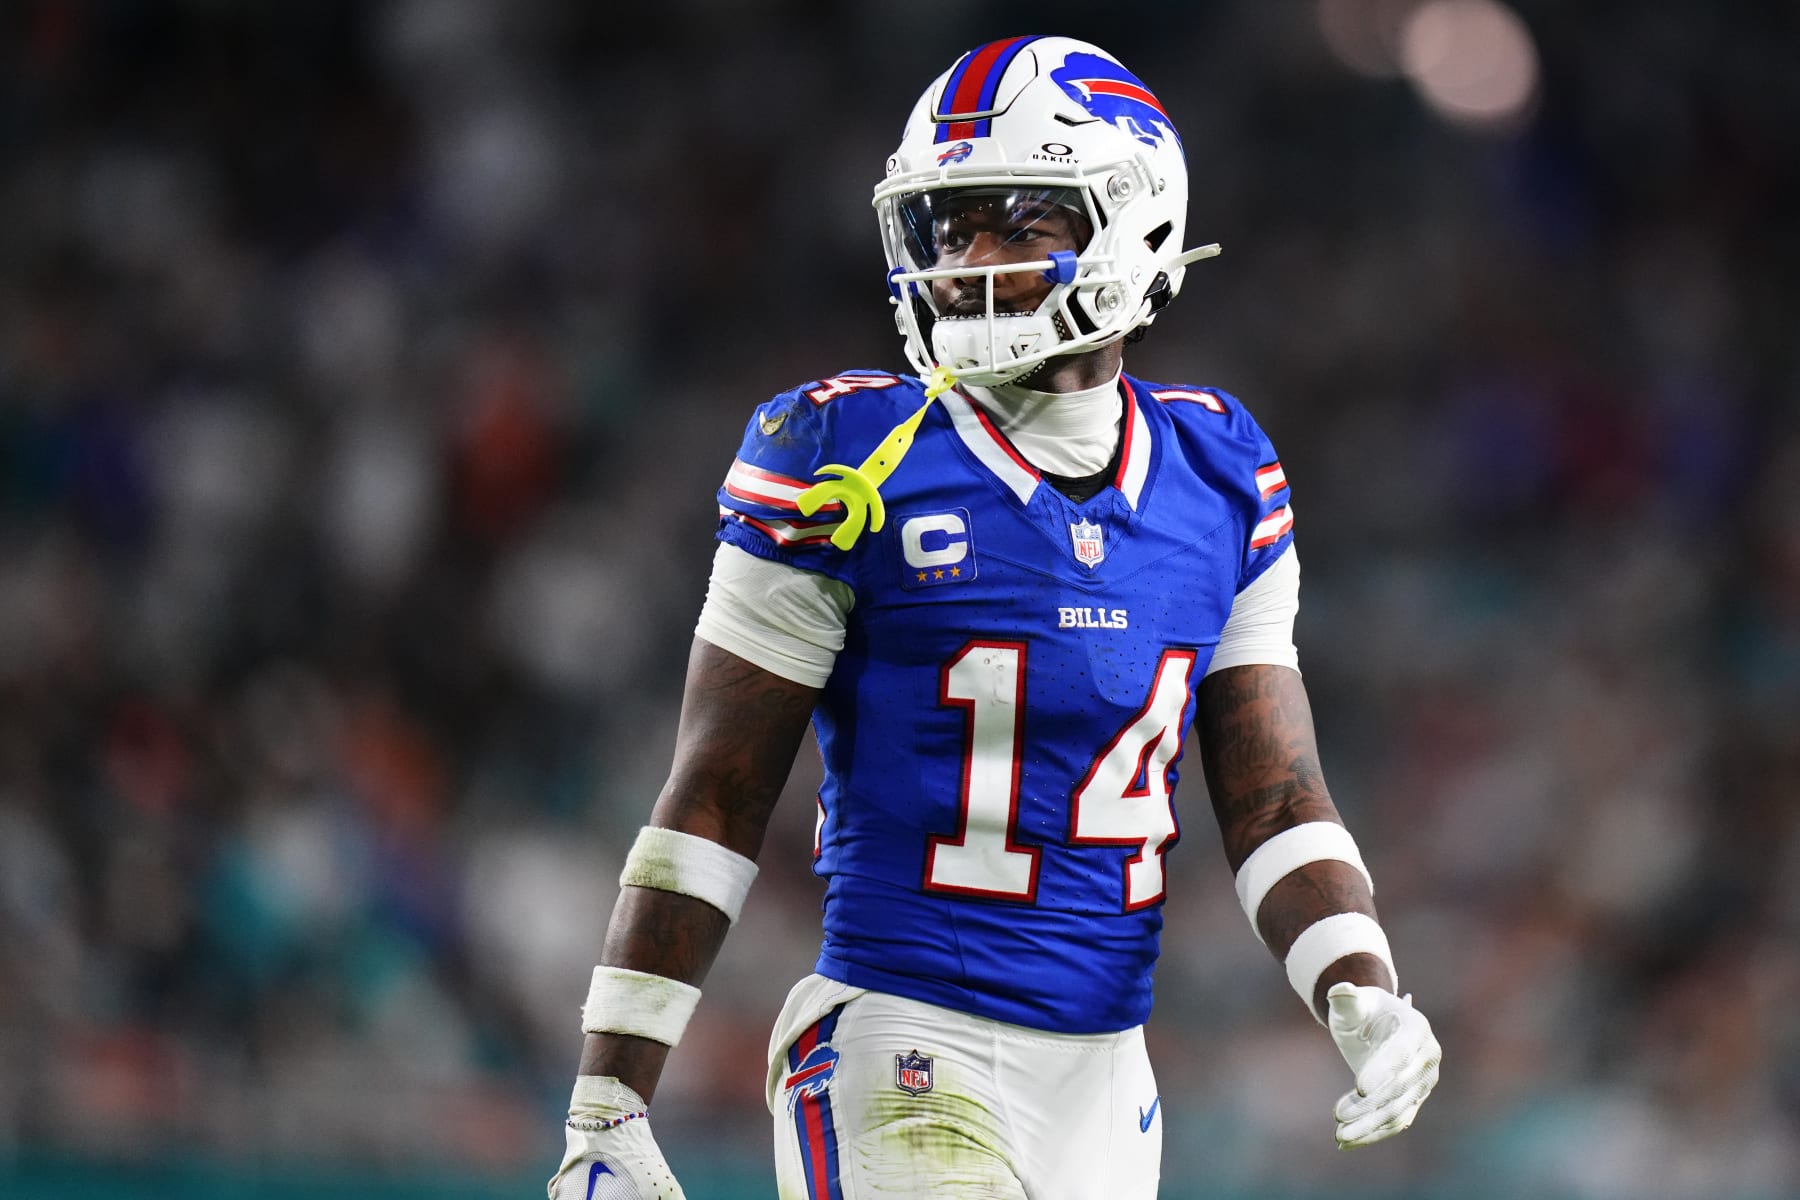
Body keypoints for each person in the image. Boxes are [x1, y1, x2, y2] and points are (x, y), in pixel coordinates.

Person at [548, 35, 1440, 1199]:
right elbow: (714, 792)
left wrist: (1360, 982)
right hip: (900, 1039)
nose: (967, 262)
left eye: (1018, 226)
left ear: (1133, 229)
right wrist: (609, 1103)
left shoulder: (1220, 474)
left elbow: (1274, 797)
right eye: (952, 229)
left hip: (1108, 1085)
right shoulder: (843, 453)